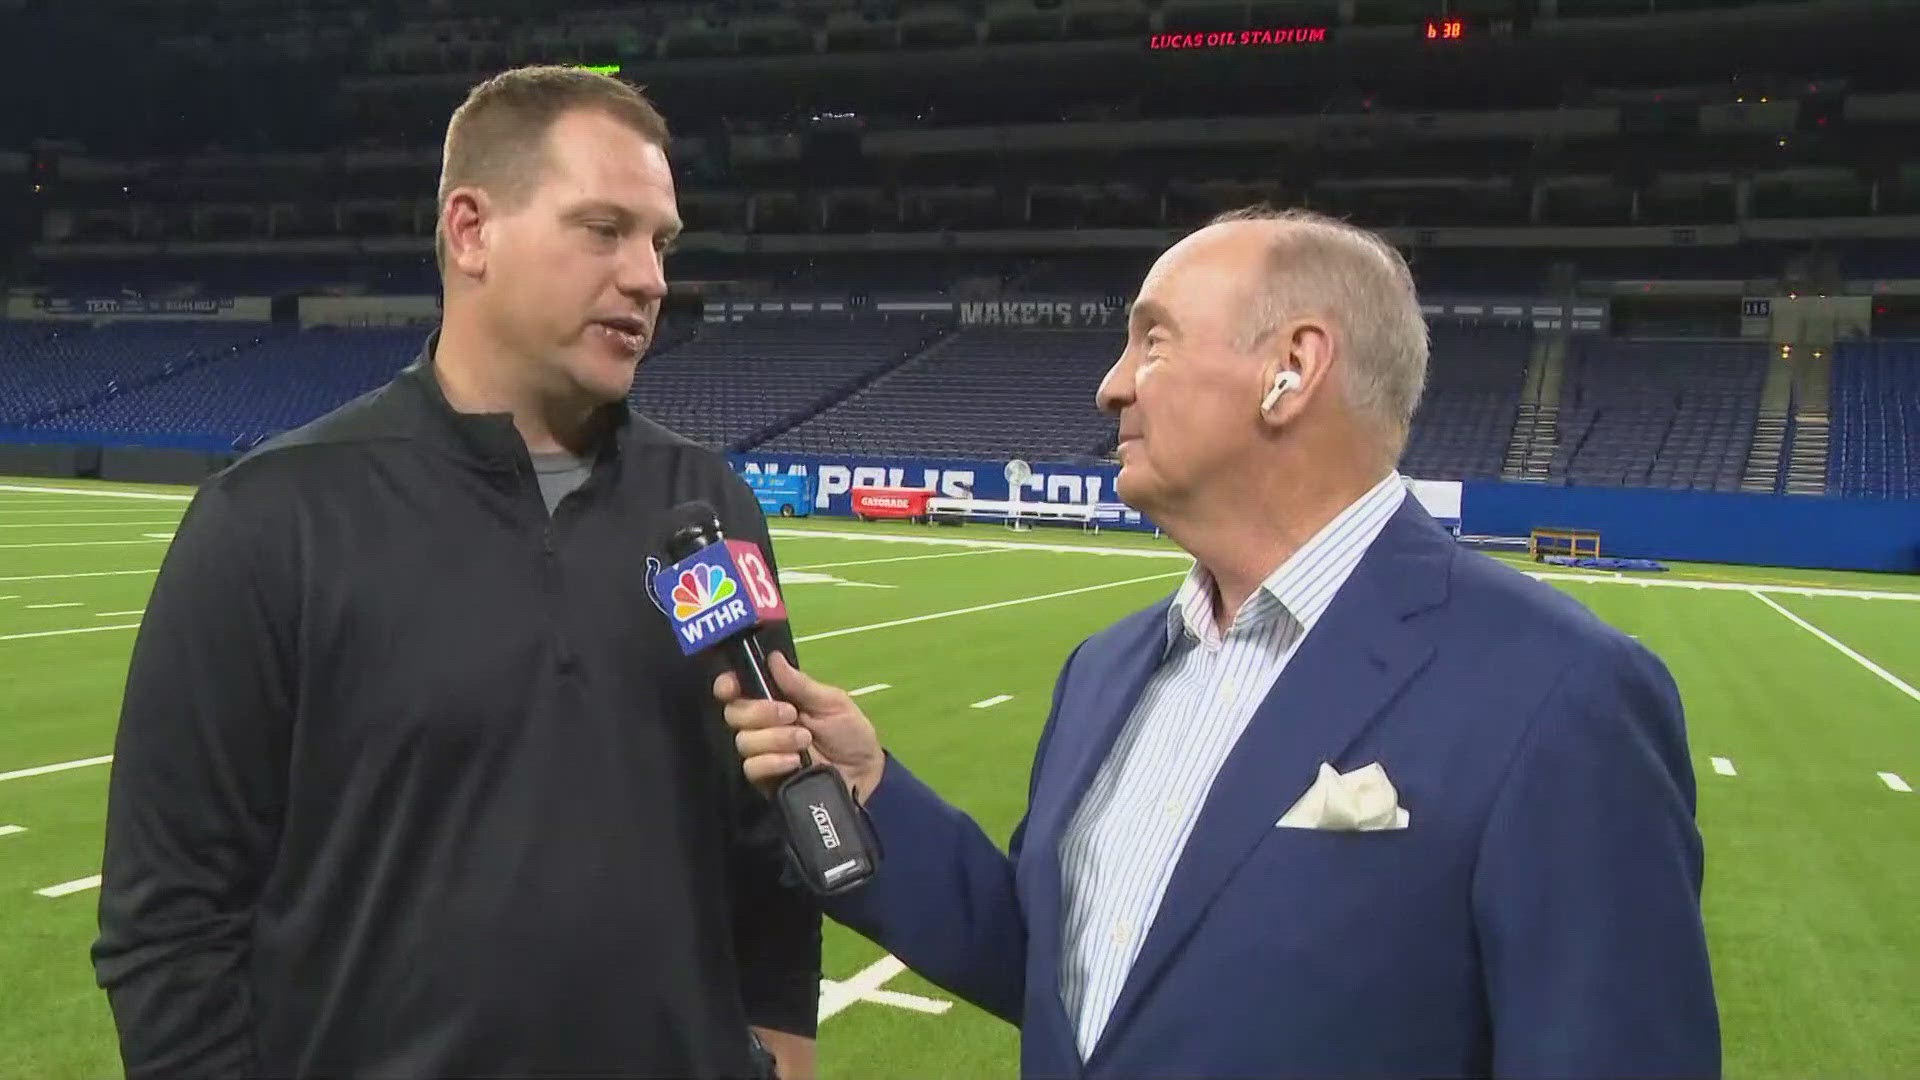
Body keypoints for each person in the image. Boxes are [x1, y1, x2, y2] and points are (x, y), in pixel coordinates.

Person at [719, 207, 1720, 1077]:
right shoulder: (1108, 668)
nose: (1112, 387)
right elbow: (1062, 967)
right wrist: (871, 795)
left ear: (1291, 370)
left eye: (1152, 342)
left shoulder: (1557, 692)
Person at [92, 66, 819, 1080]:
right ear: (471, 231)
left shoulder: (706, 508)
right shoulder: (271, 519)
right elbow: (169, 920)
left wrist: (782, 1056)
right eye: (604, 229)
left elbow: (770, 829)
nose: (650, 277)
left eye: (661, 242)